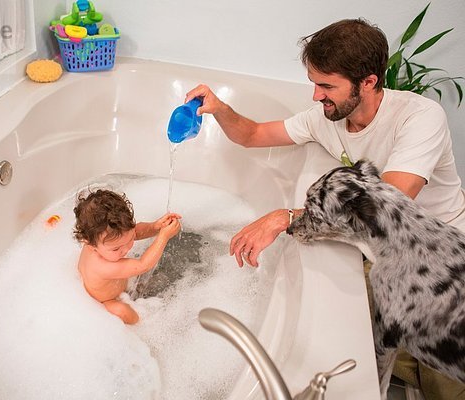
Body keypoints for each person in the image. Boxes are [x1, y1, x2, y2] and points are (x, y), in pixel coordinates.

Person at [185, 18, 465, 400]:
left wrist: (284, 217)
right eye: (315, 83)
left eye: (327, 85)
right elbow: (252, 134)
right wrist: (219, 109)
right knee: (379, 349)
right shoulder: (327, 117)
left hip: (441, 269)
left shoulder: (418, 118)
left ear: (368, 82)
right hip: (382, 261)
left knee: (446, 384)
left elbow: (384, 207)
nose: (316, 96)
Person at [74, 189, 181, 325]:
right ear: (89, 244)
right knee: (122, 310)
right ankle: (141, 328)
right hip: (105, 300)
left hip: (115, 285)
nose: (126, 249)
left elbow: (136, 231)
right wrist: (163, 237)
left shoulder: (100, 240)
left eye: (130, 239)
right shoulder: (101, 266)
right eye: (116, 248)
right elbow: (143, 265)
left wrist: (155, 226)